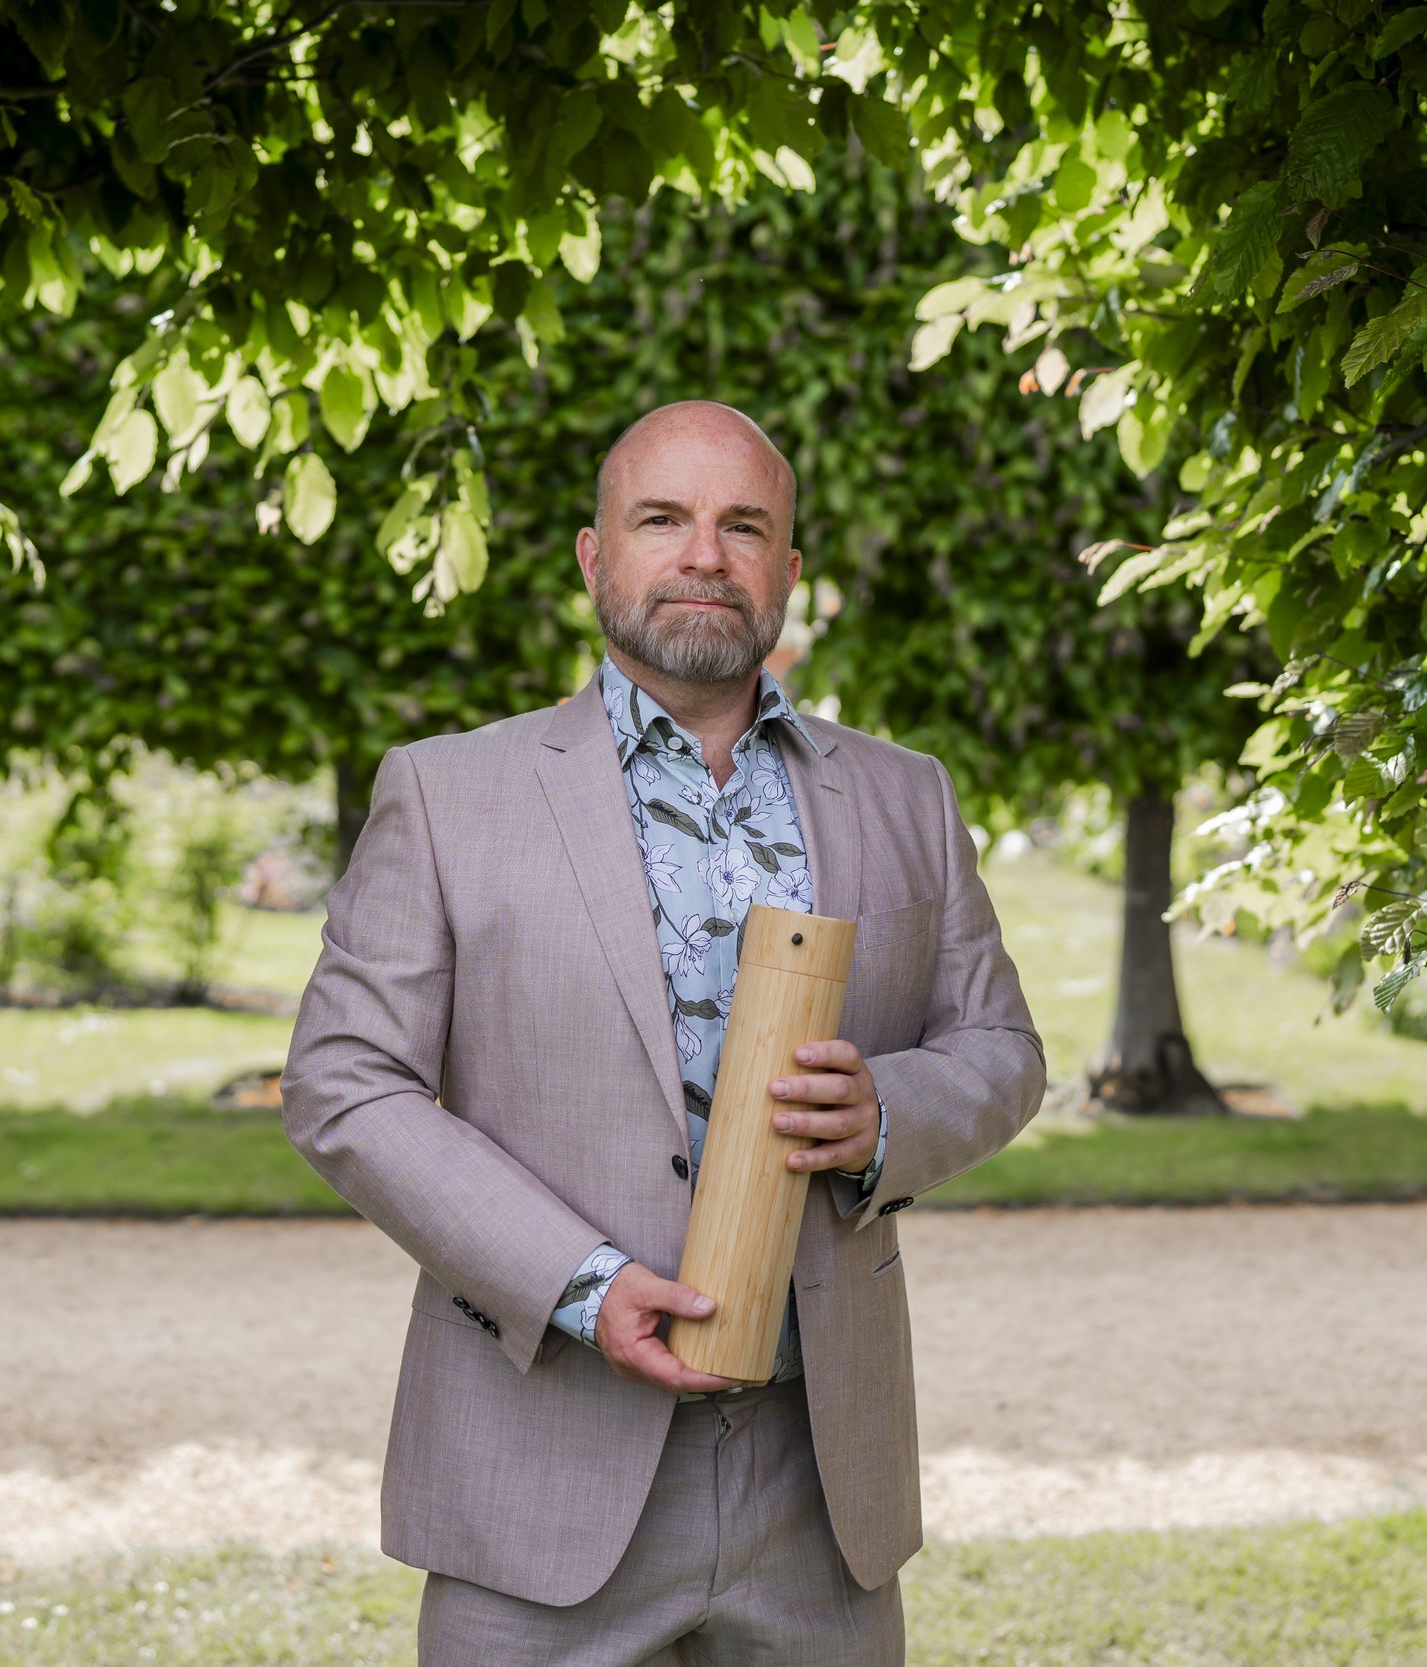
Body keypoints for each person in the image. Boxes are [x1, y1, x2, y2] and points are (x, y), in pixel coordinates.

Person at [282, 399, 1048, 1664]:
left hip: (818, 1487)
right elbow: (347, 1086)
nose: (705, 553)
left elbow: (1001, 1051)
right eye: (663, 519)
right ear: (595, 555)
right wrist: (579, 1285)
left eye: (744, 525)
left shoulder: (906, 793)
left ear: (789, 571)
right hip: (538, 1476)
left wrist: (886, 1115)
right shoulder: (446, 793)